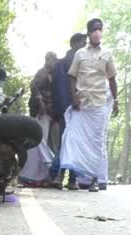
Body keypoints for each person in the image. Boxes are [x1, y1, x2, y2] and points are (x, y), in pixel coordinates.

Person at [59, 18, 119, 192]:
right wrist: (74, 97)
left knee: (96, 144)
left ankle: (93, 180)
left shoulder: (107, 53)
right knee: (71, 138)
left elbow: (112, 79)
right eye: (94, 29)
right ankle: (70, 179)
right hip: (81, 104)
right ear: (88, 33)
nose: (97, 32)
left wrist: (115, 101)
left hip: (99, 105)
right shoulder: (80, 54)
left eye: (100, 29)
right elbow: (72, 77)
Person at [51, 33, 87, 190]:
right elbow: (59, 88)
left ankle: (64, 178)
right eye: (82, 42)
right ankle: (64, 178)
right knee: (69, 143)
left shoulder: (65, 62)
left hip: (72, 108)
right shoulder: (69, 62)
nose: (84, 45)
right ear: (74, 43)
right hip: (72, 108)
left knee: (67, 142)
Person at [21, 53, 58, 186]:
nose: (53, 62)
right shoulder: (42, 73)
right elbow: (34, 87)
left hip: (48, 111)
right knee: (38, 139)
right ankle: (49, 165)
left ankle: (36, 176)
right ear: (47, 60)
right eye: (52, 60)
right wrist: (41, 102)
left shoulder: (52, 75)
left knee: (37, 143)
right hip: (40, 110)